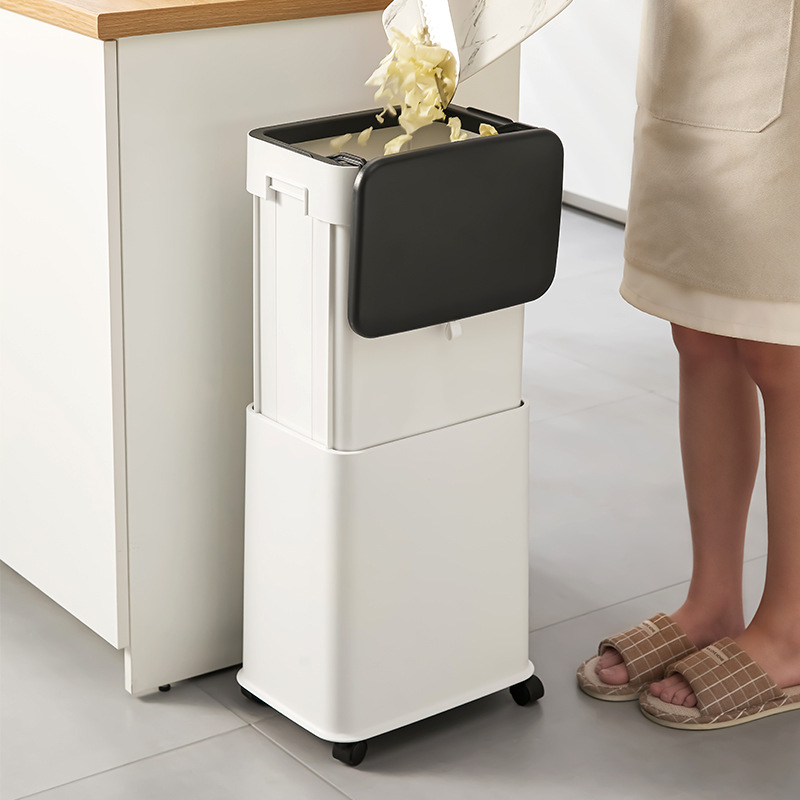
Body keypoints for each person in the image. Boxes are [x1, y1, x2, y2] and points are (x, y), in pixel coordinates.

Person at [576, 0, 800, 728]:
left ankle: (791, 629)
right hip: (696, 41)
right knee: (699, 328)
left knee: (783, 343)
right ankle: (712, 601)